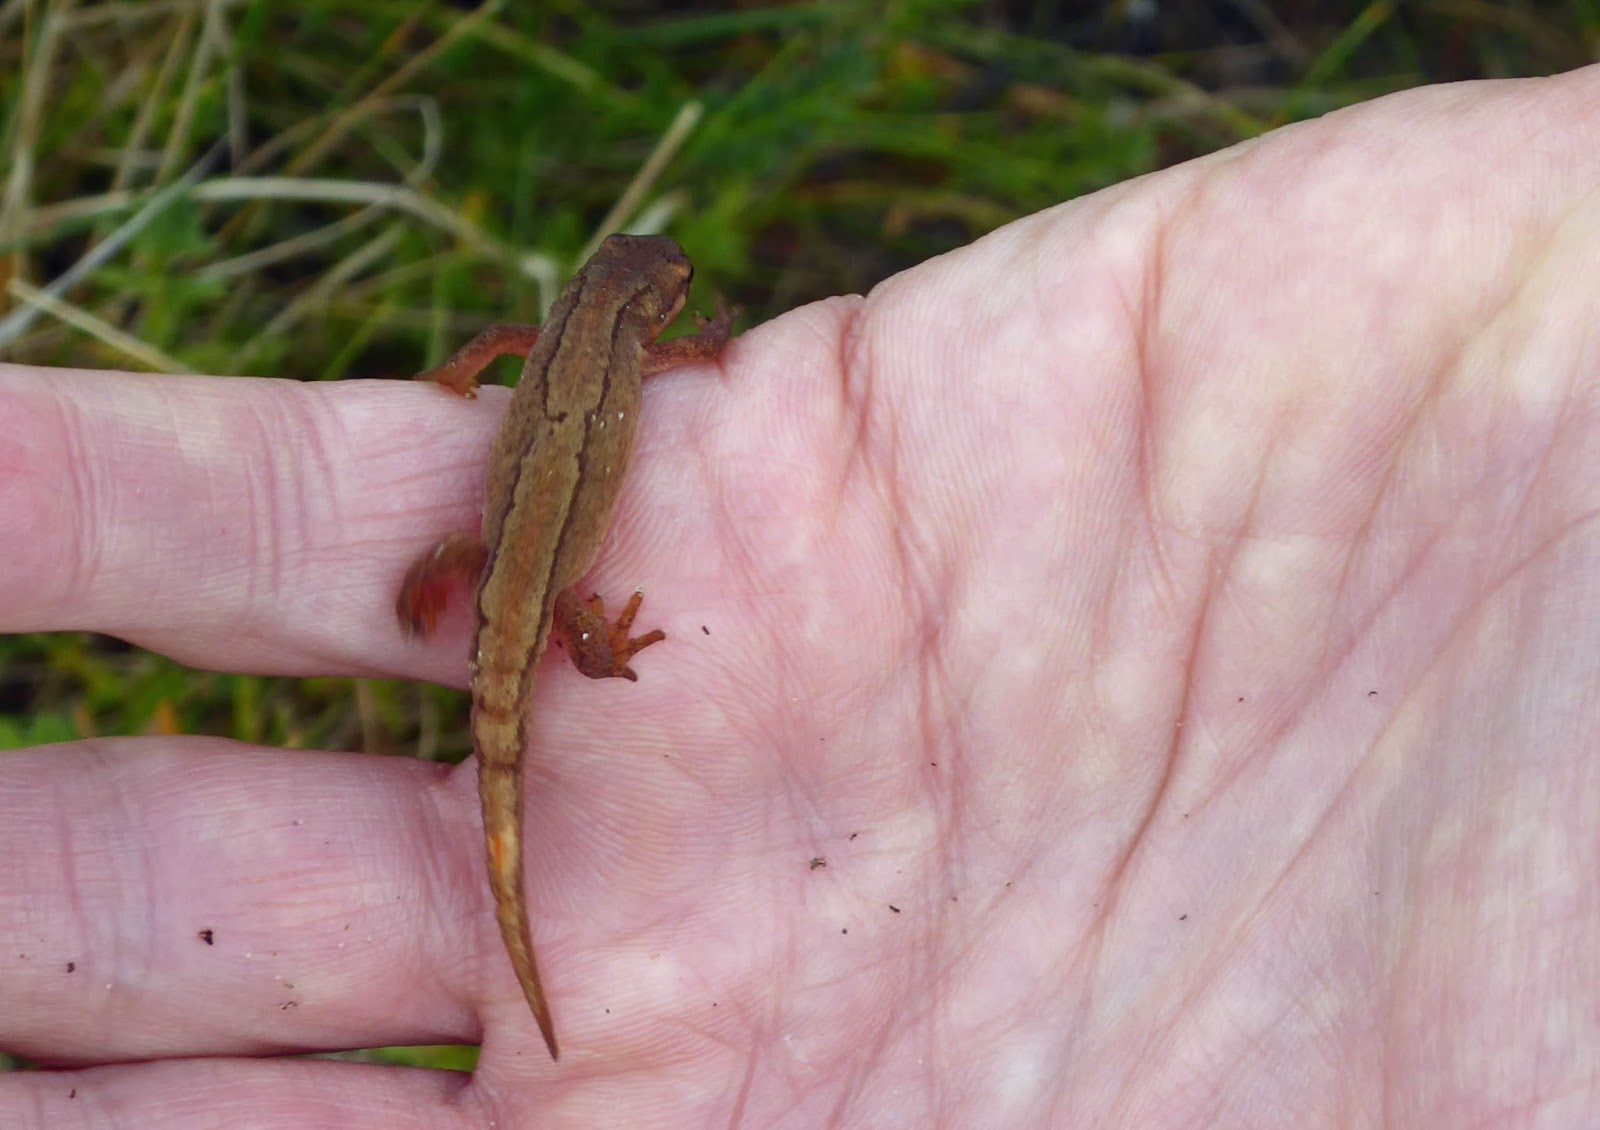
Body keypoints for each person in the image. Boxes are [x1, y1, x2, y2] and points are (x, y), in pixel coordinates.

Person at [2, 67, 1597, 1126]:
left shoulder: (557, 340)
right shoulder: (642, 358)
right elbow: (620, 360)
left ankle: (480, 619)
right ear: (632, 310)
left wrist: (459, 398)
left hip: (506, 564)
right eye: (670, 302)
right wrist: (589, 638)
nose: (677, 315)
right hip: (537, 580)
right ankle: (593, 658)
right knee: (534, 654)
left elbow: (494, 362)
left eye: (671, 308)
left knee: (495, 619)